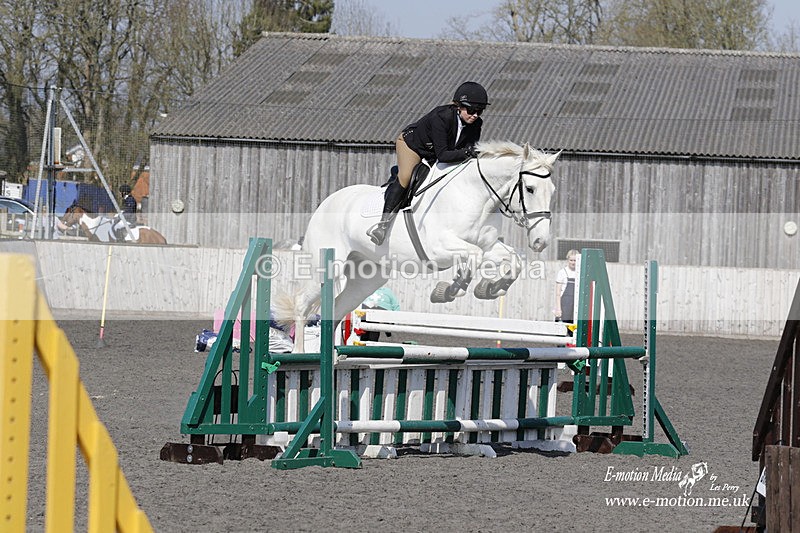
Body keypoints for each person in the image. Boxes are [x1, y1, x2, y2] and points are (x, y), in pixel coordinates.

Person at [366, 81, 490, 245]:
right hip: (413, 146)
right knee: (406, 176)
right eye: (471, 110)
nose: (475, 115)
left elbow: (466, 152)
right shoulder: (441, 118)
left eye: (479, 111)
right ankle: (382, 224)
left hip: (437, 153)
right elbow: (443, 155)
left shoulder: (476, 125)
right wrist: (468, 152)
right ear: (459, 106)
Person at [554, 249, 578, 324]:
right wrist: (558, 309)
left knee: (574, 329)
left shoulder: (580, 272)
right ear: (567, 260)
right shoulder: (562, 272)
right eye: (571, 260)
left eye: (575, 260)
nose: (573, 262)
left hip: (576, 305)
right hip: (565, 305)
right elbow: (558, 293)